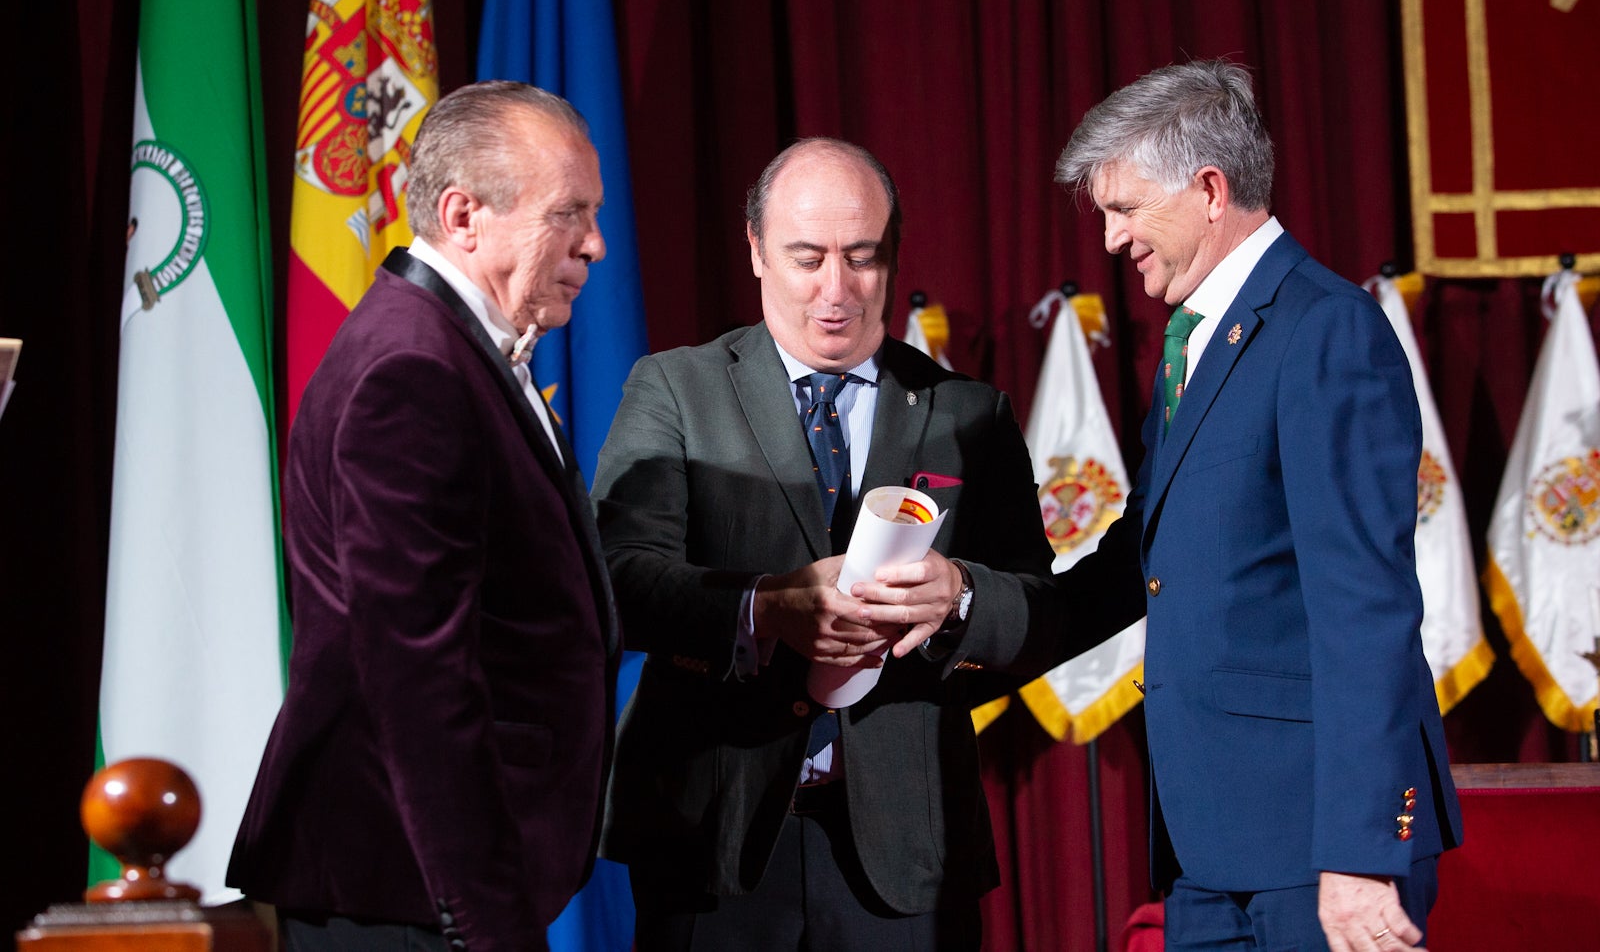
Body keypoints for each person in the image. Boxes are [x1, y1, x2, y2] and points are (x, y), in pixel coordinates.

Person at [591, 137, 1139, 949]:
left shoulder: (967, 412)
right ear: (754, 251)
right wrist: (762, 608)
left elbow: (1042, 611)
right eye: (807, 257)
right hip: (712, 841)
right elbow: (620, 583)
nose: (835, 291)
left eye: (863, 258)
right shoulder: (675, 388)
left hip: (906, 858)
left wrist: (961, 597)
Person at [1046, 59, 1462, 951]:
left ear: (1208, 188)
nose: (1114, 240)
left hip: (1316, 855)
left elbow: (1365, 609)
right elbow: (1140, 565)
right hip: (1210, 851)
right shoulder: (1193, 341)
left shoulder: (1325, 330)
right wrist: (969, 616)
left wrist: (1358, 854)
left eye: (1125, 209)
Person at [228, 81, 621, 952]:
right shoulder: (413, 370)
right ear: (463, 214)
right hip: (409, 895)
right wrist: (487, 926)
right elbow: (417, 677)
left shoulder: (449, 346)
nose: (595, 243)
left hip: (430, 887)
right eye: (570, 214)